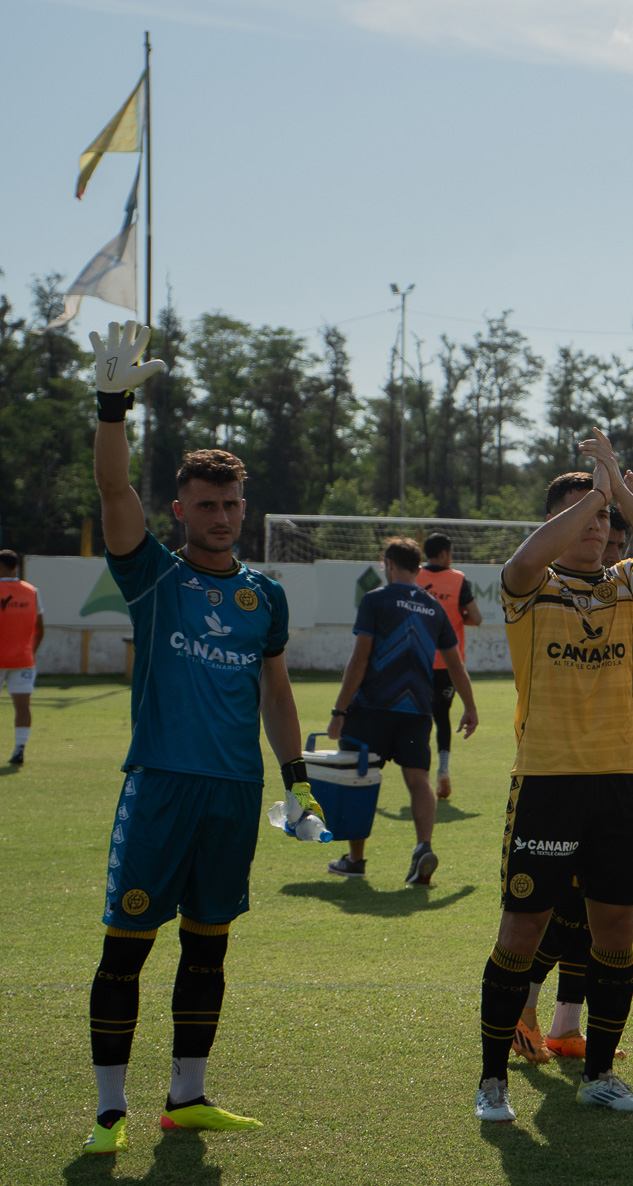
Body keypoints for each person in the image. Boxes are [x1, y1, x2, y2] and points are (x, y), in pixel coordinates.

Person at [80, 321, 317, 1154]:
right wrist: (112, 408)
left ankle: (188, 1096)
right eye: (205, 506)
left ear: (244, 508)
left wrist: (297, 778)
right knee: (128, 945)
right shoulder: (153, 576)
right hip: (161, 785)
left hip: (233, 792)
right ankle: (110, 1110)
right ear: (181, 511)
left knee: (208, 947)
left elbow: (277, 694)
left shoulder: (266, 598)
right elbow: (114, 495)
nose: (221, 517)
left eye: (231, 504)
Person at [473, 431, 633, 1124]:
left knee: (615, 932)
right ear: (555, 522)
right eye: (586, 515)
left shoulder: (626, 586)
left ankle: (599, 1072)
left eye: (606, 521)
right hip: (546, 781)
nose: (599, 527)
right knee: (522, 931)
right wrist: (598, 492)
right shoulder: (529, 587)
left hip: (617, 784)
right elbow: (523, 558)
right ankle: (491, 1082)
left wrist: (628, 499)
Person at [324, 537, 478, 884]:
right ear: (416, 566)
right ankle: (424, 847)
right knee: (418, 779)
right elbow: (455, 665)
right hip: (418, 710)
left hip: (372, 707)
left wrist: (340, 709)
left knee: (360, 778)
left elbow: (360, 658)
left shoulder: (375, 599)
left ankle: (356, 859)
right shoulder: (434, 608)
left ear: (389, 565)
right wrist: (470, 707)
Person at [417, 533, 483, 800]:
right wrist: (454, 620)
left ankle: (418, 776)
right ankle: (443, 770)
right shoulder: (458, 580)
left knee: (419, 720)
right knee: (442, 717)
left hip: (416, 661)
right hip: (448, 663)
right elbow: (476, 618)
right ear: (445, 554)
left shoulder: (414, 578)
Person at [0, 549, 44, 764]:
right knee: (22, 705)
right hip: (24, 659)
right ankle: (19, 749)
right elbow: (40, 628)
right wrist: (30, 651)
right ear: (15, 567)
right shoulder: (32, 591)